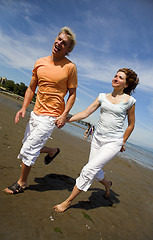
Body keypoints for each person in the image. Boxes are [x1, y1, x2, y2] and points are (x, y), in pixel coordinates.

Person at [54, 68, 139, 212]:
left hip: (113, 142)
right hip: (97, 138)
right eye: (115, 76)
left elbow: (131, 124)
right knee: (96, 171)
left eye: (120, 78)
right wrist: (66, 119)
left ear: (125, 85)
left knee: (89, 169)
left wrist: (123, 142)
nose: (116, 78)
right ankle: (107, 184)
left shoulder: (130, 101)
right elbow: (86, 113)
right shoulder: (102, 97)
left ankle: (68, 201)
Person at [4, 26, 78, 194]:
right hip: (35, 112)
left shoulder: (70, 68)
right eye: (58, 39)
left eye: (64, 42)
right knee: (27, 143)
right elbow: (31, 88)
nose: (59, 43)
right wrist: (23, 108)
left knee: (28, 149)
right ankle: (52, 151)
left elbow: (72, 95)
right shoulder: (40, 62)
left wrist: (64, 115)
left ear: (68, 49)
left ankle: (22, 183)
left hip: (51, 116)